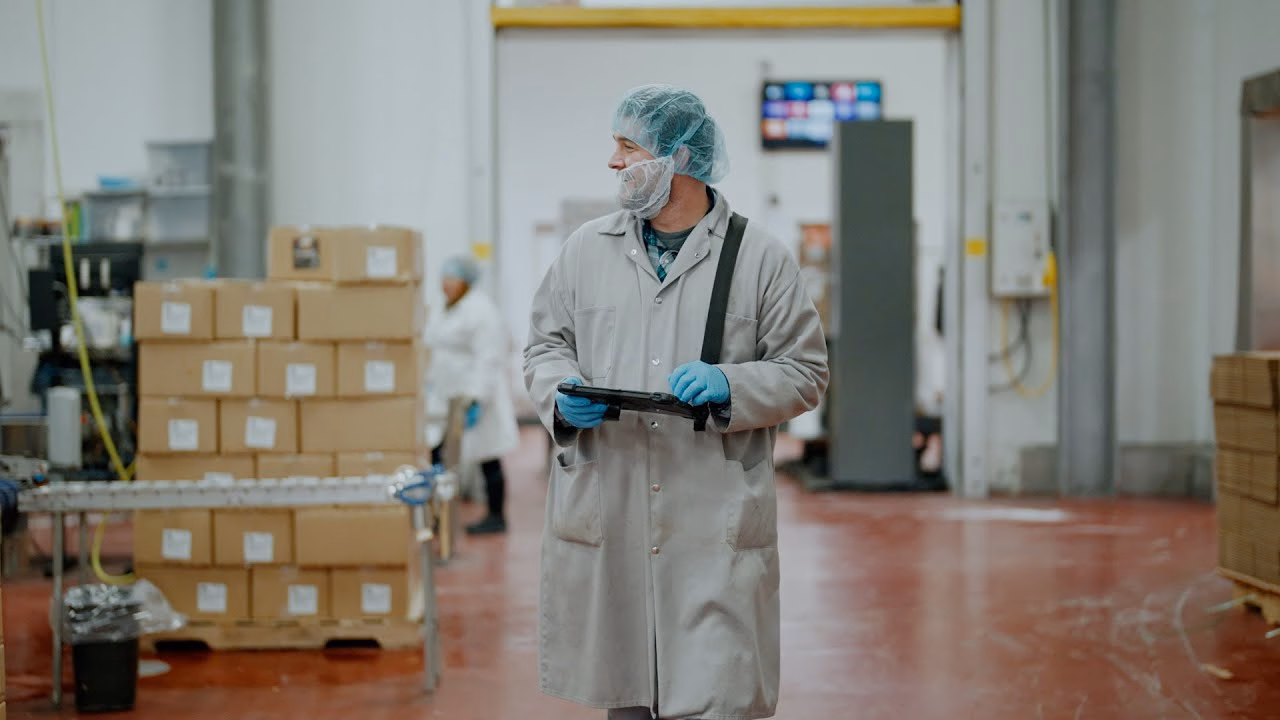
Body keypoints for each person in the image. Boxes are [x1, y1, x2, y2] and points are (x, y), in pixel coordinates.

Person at [523, 84, 830, 720]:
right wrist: (559, 395)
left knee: (716, 694)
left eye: (627, 147)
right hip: (615, 512)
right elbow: (544, 346)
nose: (612, 163)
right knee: (627, 696)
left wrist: (733, 386)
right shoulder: (587, 249)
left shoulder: (760, 259)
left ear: (680, 159)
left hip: (711, 525)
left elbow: (805, 370)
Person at [424, 255, 520, 535]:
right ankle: (438, 516)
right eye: (444, 279)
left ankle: (496, 516)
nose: (446, 285)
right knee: (438, 453)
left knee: (488, 456)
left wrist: (477, 397)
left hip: (476, 396)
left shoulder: (480, 310)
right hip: (447, 397)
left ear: (466, 281)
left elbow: (489, 357)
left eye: (452, 279)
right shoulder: (449, 309)